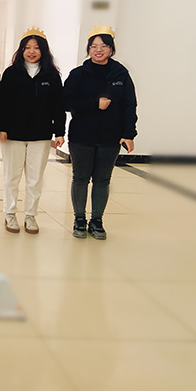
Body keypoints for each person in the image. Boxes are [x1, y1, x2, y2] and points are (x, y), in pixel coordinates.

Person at [63, 24, 137, 240]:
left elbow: (129, 105)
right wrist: (94, 103)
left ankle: (97, 220)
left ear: (111, 49)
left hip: (110, 137)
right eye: (94, 46)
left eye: (104, 46)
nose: (99, 50)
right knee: (80, 178)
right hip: (81, 136)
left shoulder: (120, 74)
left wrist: (129, 133)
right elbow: (66, 102)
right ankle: (79, 219)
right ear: (88, 49)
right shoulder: (78, 74)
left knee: (103, 180)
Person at [0, 27, 66, 234]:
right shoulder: (11, 73)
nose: (31, 51)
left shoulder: (52, 75)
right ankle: (10, 214)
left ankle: (30, 216)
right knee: (11, 177)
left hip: (41, 135)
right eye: (27, 48)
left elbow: (58, 106)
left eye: (36, 48)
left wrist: (59, 132)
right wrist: (1, 128)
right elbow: (2, 103)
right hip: (13, 135)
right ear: (21, 50)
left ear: (43, 51)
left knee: (35, 179)